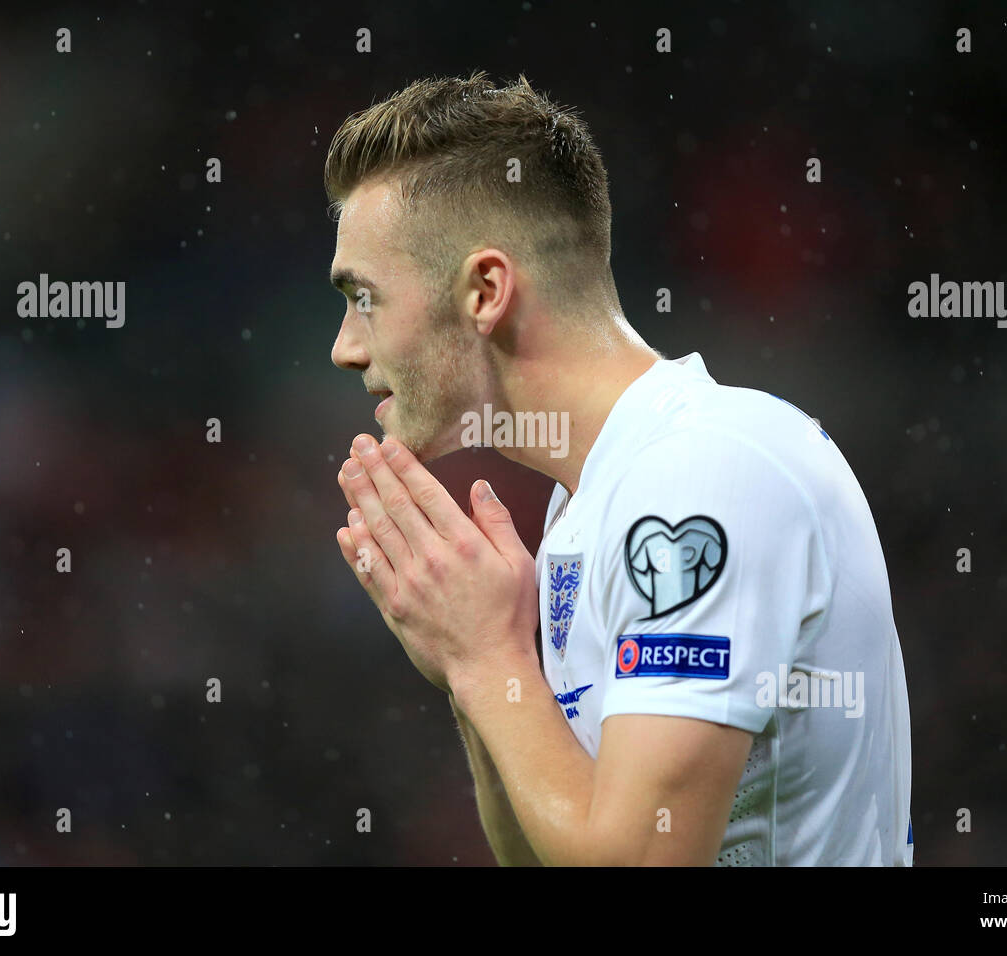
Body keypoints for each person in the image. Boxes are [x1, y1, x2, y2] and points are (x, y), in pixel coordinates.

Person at [327, 71, 912, 865]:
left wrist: (487, 656)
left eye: (363, 298)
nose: (346, 347)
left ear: (485, 291)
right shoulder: (591, 504)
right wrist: (479, 676)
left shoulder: (705, 474)